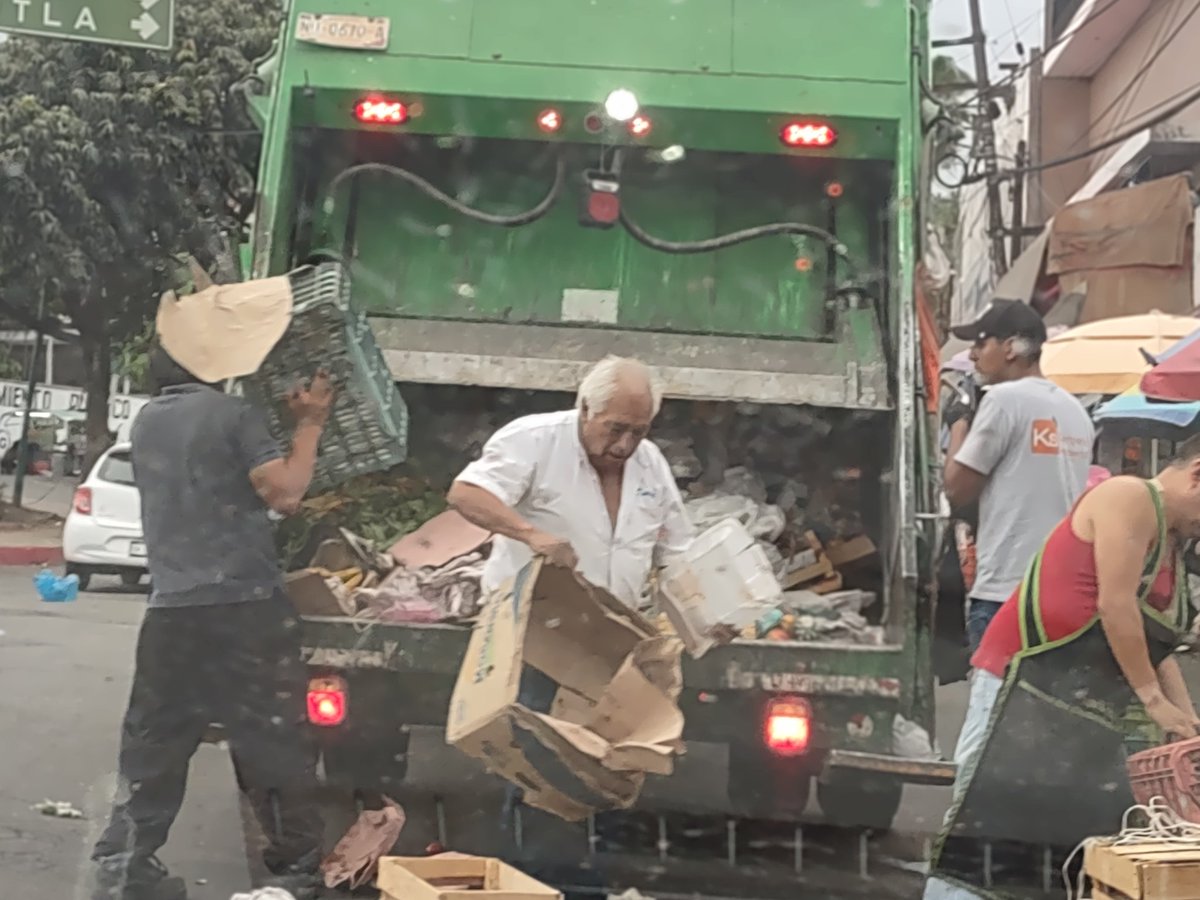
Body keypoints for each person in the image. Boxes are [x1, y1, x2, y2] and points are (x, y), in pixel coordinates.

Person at [91, 279, 332, 900]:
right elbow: (285, 492)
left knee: (154, 741)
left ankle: (124, 864)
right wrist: (310, 423)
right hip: (244, 609)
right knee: (270, 739)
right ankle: (298, 867)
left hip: (172, 610)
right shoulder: (232, 415)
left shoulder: (148, 421)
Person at [924, 442, 1200, 900]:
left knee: (1054, 856)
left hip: (1083, 710)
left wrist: (1185, 722)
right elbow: (1115, 606)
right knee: (986, 841)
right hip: (1022, 692)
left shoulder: (1171, 542)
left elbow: (1154, 643)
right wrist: (1153, 700)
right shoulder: (1129, 497)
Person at [448, 354, 693, 608]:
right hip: (525, 616)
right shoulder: (534, 439)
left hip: (615, 622)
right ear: (586, 410)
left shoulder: (650, 461)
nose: (624, 445)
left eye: (638, 432)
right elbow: (466, 493)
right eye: (615, 429)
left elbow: (675, 552)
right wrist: (532, 535)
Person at [943, 299, 1094, 653]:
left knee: (994, 689)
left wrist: (959, 425)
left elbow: (955, 488)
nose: (973, 354)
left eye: (981, 343)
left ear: (1010, 347)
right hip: (1060, 593)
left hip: (1005, 592)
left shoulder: (1004, 400)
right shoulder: (1075, 411)